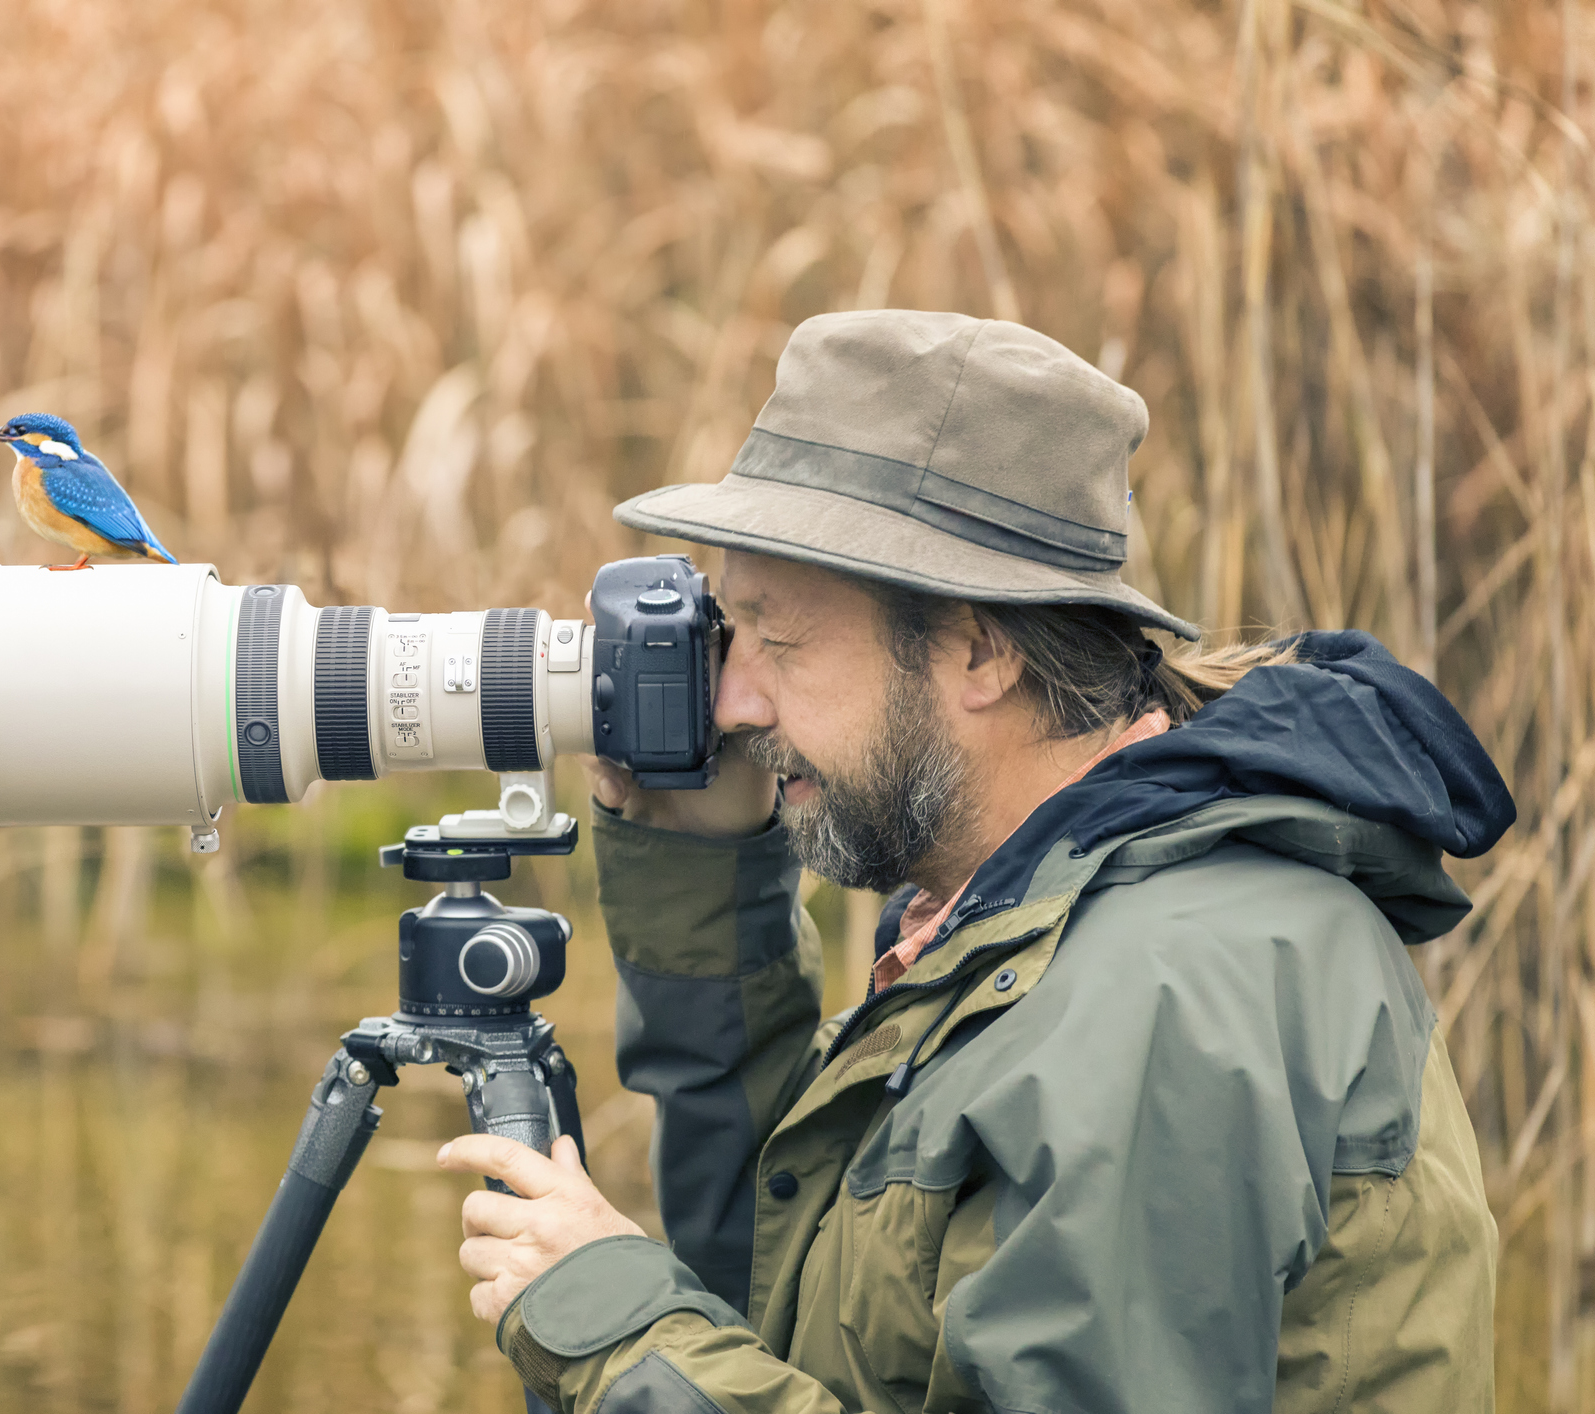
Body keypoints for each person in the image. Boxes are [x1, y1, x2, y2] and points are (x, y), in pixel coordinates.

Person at [436, 310, 1515, 1413]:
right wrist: (702, 861)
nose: (732, 701)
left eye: (780, 640)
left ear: (980, 651)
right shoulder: (1020, 920)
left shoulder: (1162, 993)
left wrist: (617, 1332)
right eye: (730, 633)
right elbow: (785, 1283)